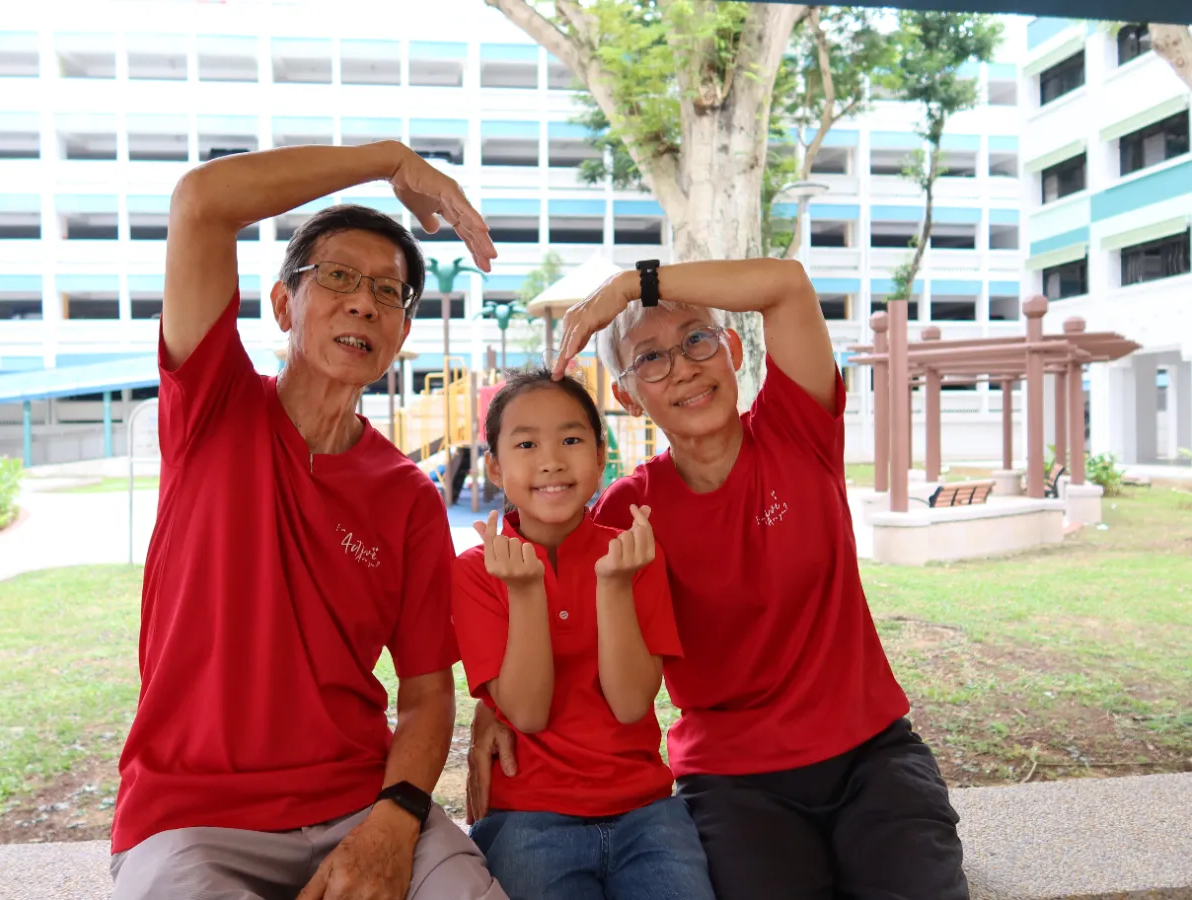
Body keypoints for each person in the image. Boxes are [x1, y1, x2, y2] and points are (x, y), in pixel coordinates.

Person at [468, 259, 969, 900]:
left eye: (697, 340)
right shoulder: (628, 510)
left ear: (731, 350)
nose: (681, 366)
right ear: (626, 395)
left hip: (871, 753)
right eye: (649, 358)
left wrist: (632, 286)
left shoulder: (796, 429)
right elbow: (544, 573)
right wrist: (492, 708)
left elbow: (786, 284)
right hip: (733, 778)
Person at [108, 140, 508, 900]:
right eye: (338, 278)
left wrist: (394, 822)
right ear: (284, 303)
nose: (364, 301)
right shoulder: (212, 404)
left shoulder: (408, 497)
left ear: (399, 336)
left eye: (389, 293)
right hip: (192, 818)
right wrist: (391, 160)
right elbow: (201, 203)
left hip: (363, 803)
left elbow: (426, 694)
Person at [453, 370, 715, 900]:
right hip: (529, 817)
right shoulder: (477, 572)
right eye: (527, 444)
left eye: (571, 440)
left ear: (599, 456)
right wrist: (527, 592)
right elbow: (526, 713)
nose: (551, 460)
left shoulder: (632, 554)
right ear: (497, 468)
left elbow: (631, 703)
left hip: (645, 811)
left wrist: (613, 586)